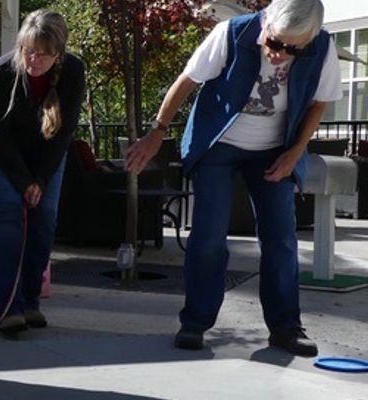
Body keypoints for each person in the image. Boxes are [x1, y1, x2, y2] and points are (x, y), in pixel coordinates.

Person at [124, 0, 341, 357]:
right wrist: (157, 131)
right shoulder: (233, 32)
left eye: (291, 50)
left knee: (281, 239)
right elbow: (188, 80)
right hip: (218, 145)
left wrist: (294, 152)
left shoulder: (322, 46)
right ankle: (194, 322)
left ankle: (286, 328)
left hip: (275, 149)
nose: (279, 55)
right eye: (274, 43)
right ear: (267, 22)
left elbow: (319, 103)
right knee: (209, 234)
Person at [0, 9, 85, 335]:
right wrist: (24, 182)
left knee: (44, 214)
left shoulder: (73, 72)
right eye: (28, 51)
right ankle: (8, 306)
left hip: (45, 148)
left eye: (43, 55)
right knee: (8, 210)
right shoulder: (1, 72)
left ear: (58, 53)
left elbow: (64, 133)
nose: (33, 60)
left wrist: (41, 180)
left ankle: (30, 301)